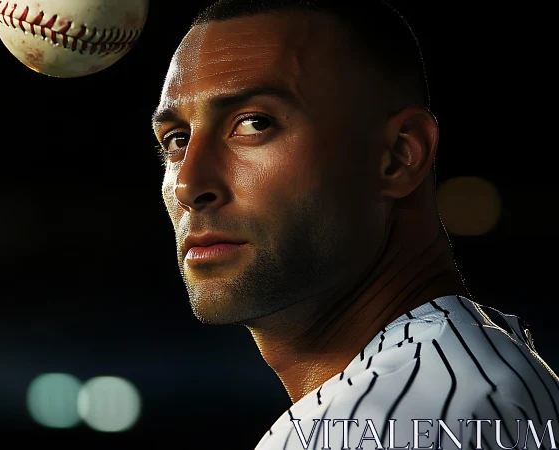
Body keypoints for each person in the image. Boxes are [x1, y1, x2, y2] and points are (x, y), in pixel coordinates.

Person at [149, 1, 558, 449]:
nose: (189, 182)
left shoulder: (388, 423)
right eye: (177, 140)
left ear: (399, 156)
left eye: (253, 123)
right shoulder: (477, 375)